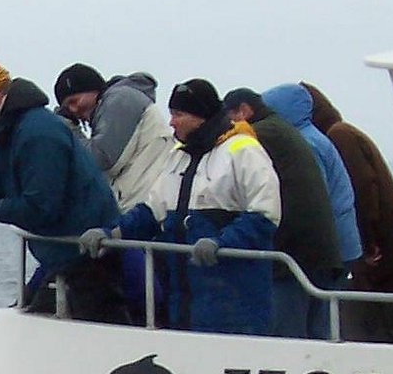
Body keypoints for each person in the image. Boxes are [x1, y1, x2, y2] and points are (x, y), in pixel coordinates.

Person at [0, 55, 127, 323]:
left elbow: (41, 209)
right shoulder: (5, 132)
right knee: (25, 322)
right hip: (64, 257)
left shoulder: (38, 133)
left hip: (90, 259)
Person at [83, 79, 281, 335]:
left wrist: (222, 243)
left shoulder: (243, 151)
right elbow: (152, 211)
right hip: (184, 297)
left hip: (233, 298)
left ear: (201, 117)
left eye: (179, 115)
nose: (171, 123)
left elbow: (266, 213)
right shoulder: (178, 156)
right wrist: (111, 233)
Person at [301, 82, 393, 343]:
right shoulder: (342, 133)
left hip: (386, 253)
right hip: (392, 249)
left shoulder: (339, 137)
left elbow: (361, 188)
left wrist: (367, 242)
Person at [222, 87, 343, 337]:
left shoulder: (260, 134)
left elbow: (229, 142)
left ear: (244, 110)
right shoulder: (282, 129)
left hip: (293, 249)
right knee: (319, 332)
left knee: (288, 334)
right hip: (320, 246)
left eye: (230, 117)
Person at [262, 83, 362, 336]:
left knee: (308, 322)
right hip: (341, 243)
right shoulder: (316, 138)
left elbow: (312, 199)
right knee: (325, 317)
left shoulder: (303, 144)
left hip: (325, 247)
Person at [53, 64, 175, 211]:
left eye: (74, 101)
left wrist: (69, 129)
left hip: (145, 207)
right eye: (67, 108)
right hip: (145, 204)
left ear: (92, 90)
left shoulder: (120, 99)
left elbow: (102, 159)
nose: (73, 110)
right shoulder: (118, 101)